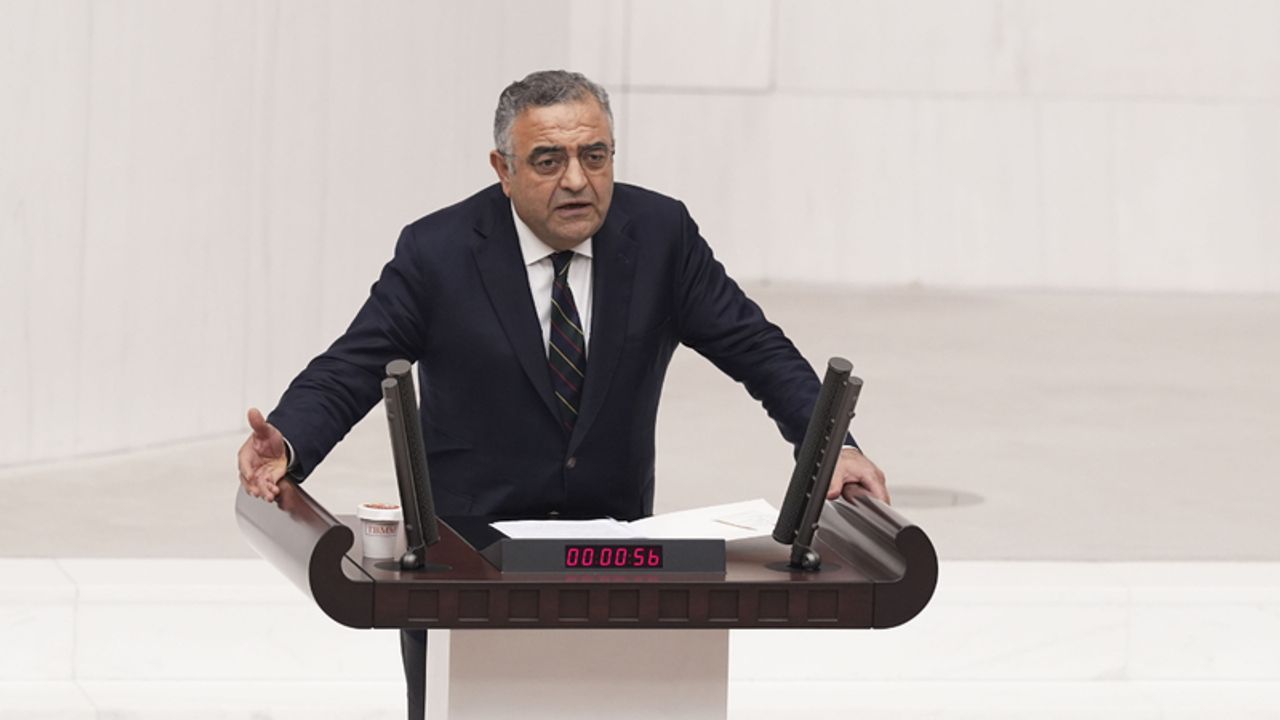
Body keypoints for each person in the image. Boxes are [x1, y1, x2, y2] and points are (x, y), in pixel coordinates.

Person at [237, 69, 889, 719]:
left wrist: (833, 449)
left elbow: (758, 350)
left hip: (616, 561)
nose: (577, 180)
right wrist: (288, 441)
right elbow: (352, 366)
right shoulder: (439, 252)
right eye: (549, 161)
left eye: (595, 156)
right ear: (503, 168)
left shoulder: (661, 236)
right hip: (466, 566)